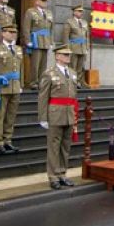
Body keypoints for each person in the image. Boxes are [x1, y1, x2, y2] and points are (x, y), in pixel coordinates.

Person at [38, 45, 78, 190]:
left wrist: (75, 114)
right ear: (57, 56)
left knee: (65, 147)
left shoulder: (72, 73)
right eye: (65, 54)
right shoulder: (49, 73)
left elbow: (74, 96)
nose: (68, 57)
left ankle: (62, 174)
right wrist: (43, 117)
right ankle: (53, 176)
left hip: (69, 114)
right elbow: (43, 97)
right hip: (55, 114)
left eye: (69, 54)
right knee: (54, 147)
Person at [0, 24, 23, 153]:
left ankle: (8, 140)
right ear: (3, 33)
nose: (13, 34)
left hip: (15, 87)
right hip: (1, 87)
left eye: (14, 32)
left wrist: (21, 84)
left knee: (11, 116)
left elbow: (20, 69)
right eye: (10, 32)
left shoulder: (18, 49)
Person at [22, 0, 54, 89]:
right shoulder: (31, 11)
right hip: (35, 40)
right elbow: (26, 27)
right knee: (35, 64)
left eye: (46, 1)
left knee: (43, 64)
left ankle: (42, 82)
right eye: (42, 1)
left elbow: (51, 28)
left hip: (45, 40)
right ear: (37, 2)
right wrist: (28, 40)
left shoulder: (49, 13)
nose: (44, 2)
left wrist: (51, 41)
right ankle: (33, 82)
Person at [62, 5, 89, 87]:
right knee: (72, 66)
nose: (81, 13)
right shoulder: (69, 22)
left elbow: (87, 36)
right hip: (73, 47)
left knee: (80, 67)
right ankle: (72, 81)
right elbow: (65, 36)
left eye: (81, 11)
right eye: (79, 11)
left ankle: (79, 82)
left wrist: (87, 47)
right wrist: (66, 48)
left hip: (83, 47)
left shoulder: (84, 22)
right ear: (74, 12)